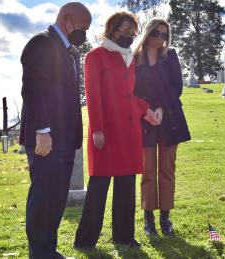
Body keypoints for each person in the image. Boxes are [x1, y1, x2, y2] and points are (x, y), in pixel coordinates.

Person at [73, 11, 154, 249]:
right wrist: (97, 128)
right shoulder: (95, 57)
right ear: (112, 30)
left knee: (126, 187)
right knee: (98, 188)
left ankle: (124, 237)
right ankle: (85, 241)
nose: (129, 36)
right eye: (124, 31)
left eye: (132, 32)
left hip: (129, 133)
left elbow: (130, 96)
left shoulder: (129, 58)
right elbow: (93, 95)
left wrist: (145, 110)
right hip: (106, 133)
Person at [19, 2, 91, 258]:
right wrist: (43, 130)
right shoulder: (41, 43)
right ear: (67, 20)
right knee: (43, 198)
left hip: (64, 140)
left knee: (56, 199)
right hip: (45, 138)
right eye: (83, 28)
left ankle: (48, 250)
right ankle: (39, 254)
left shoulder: (70, 52)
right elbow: (32, 89)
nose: (84, 34)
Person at [134, 17, 191, 236]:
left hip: (169, 118)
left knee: (167, 169)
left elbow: (176, 86)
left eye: (164, 34)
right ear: (148, 33)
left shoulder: (170, 57)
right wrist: (146, 111)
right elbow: (133, 90)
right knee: (148, 170)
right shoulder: (136, 58)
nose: (160, 38)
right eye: (156, 33)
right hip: (145, 119)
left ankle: (165, 217)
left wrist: (159, 108)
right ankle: (148, 217)